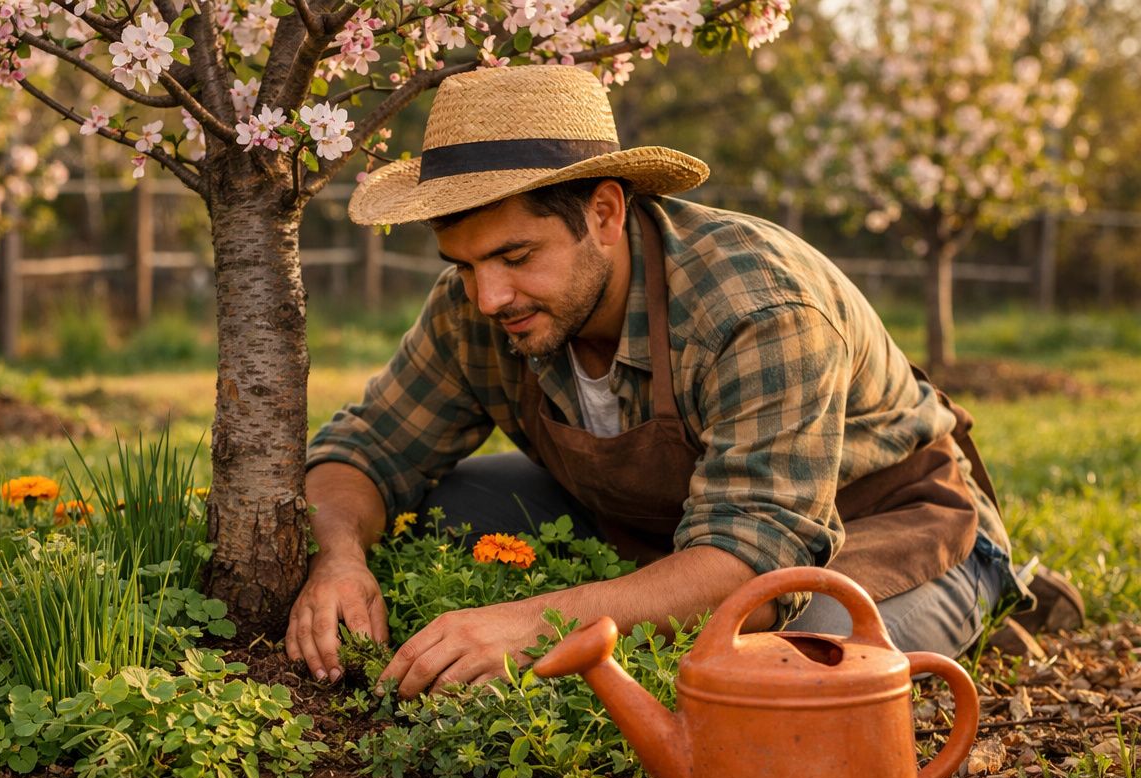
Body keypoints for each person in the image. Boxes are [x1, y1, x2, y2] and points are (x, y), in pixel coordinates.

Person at [288, 63, 1028, 699]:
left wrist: (530, 621)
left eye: (516, 257)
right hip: (660, 526)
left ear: (605, 213)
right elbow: (366, 451)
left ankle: (991, 591)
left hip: (873, 531)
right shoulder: (476, 309)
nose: (489, 298)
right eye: (466, 266)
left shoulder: (756, 308)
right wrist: (339, 559)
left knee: (778, 674)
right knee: (432, 510)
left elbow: (756, 558)